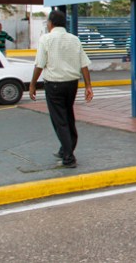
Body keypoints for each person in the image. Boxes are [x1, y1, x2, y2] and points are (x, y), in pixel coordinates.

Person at [28, 10, 93, 169]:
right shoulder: (74, 39)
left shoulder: (46, 39)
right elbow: (83, 64)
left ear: (50, 23)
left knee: (60, 120)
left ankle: (68, 157)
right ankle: (65, 148)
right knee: (68, 115)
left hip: (54, 84)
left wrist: (32, 84)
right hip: (71, 84)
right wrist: (88, 86)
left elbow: (39, 64)